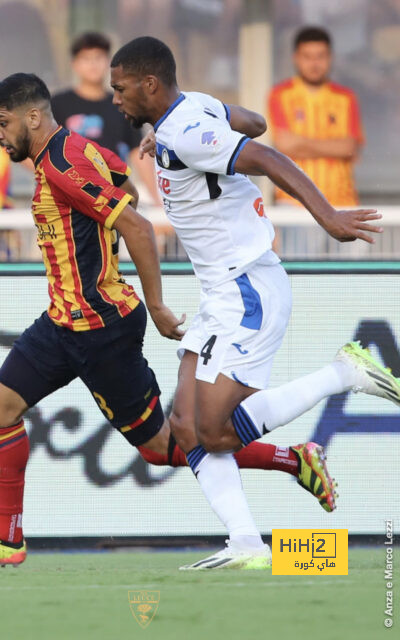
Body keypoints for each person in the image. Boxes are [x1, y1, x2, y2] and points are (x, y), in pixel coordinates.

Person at [0, 73, 339, 570]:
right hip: (63, 322)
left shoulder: (63, 166)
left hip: (101, 328)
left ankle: (293, 459)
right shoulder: (76, 150)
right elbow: (120, 178)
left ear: (33, 117)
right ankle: (7, 537)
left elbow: (137, 225)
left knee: (167, 446)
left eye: (2, 123)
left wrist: (158, 305)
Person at [109, 36, 400, 569]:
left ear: (150, 85)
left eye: (121, 88)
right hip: (221, 292)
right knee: (185, 426)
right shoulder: (191, 109)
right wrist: (172, 139)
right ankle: (245, 542)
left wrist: (327, 215)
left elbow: (264, 153)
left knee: (217, 430)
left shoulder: (185, 127)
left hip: (246, 290)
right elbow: (255, 123)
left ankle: (345, 373)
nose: (115, 99)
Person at [51, 32, 161, 206]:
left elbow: (138, 152)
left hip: (112, 201)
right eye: (86, 58)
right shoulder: (57, 104)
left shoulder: (122, 105)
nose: (93, 64)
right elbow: (33, 146)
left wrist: (157, 201)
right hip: (67, 201)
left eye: (98, 57)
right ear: (74, 64)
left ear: (109, 63)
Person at [268, 26, 364, 207]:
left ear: (330, 57)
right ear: (295, 58)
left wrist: (300, 143)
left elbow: (350, 147)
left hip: (341, 202)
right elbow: (284, 144)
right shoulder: (279, 94)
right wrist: (332, 146)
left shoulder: (346, 97)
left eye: (320, 56)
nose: (314, 64)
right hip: (293, 201)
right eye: (307, 57)